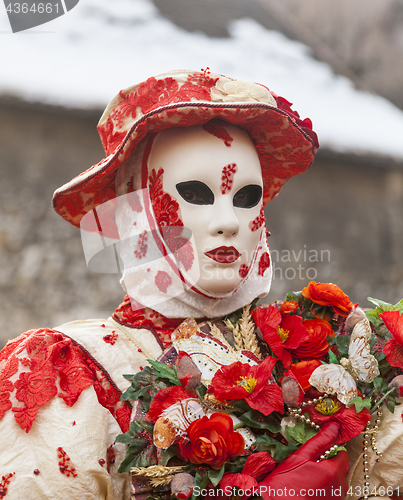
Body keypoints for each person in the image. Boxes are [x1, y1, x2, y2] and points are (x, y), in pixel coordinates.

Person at [0, 69, 349, 499]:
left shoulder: (309, 357)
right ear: (136, 209)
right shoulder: (73, 370)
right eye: (197, 194)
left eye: (246, 198)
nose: (227, 223)